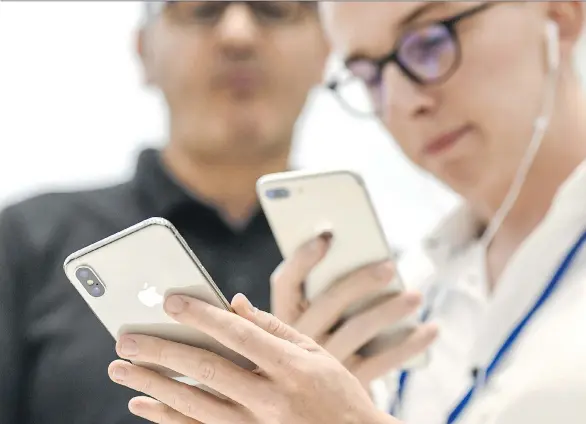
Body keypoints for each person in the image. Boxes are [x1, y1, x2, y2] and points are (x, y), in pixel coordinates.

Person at [108, 2, 586, 424]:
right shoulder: (410, 294)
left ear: (561, 13)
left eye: (429, 41)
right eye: (369, 74)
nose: (400, 103)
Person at [0, 2, 353, 424]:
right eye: (201, 9)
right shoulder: (24, 241)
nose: (238, 34)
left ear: (326, 53)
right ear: (143, 50)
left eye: (274, 9)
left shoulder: (377, 282)